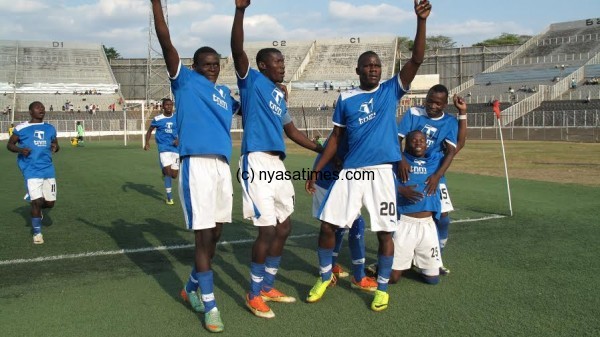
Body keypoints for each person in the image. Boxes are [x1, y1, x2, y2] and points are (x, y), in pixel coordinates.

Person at [305, 0, 431, 312]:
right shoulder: (345, 98)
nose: (373, 69)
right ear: (358, 70)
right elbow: (336, 138)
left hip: (381, 174)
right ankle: (323, 276)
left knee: (386, 231)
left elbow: (417, 58)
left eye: (377, 65)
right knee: (327, 226)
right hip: (352, 172)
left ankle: (383, 289)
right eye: (368, 66)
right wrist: (317, 167)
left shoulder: (391, 89)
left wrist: (420, 21)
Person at [232, 0, 324, 319]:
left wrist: (322, 150)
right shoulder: (252, 82)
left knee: (284, 227)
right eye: (277, 61)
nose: (282, 65)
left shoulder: (278, 94)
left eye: (283, 61)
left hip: (277, 165)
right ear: (262, 66)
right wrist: (240, 11)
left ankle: (268, 285)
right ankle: (253, 293)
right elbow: (237, 49)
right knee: (267, 231)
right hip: (256, 161)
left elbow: (293, 132)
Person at [151, 0, 239, 332]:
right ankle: (211, 305)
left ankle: (190, 287)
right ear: (194, 65)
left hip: (220, 167)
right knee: (203, 237)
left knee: (216, 233)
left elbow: (250, 108)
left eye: (216, 64)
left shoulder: (224, 94)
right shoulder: (184, 81)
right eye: (206, 64)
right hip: (196, 167)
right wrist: (156, 3)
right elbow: (164, 39)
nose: (212, 68)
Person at [397, 84, 468, 275]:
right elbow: (397, 139)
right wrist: (401, 160)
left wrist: (437, 176)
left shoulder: (450, 122)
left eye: (438, 103)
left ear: (445, 104)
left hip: (434, 173)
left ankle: (436, 259)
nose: (432, 106)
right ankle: (397, 255)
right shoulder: (413, 113)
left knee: (443, 217)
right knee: (402, 210)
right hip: (408, 168)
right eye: (430, 101)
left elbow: (456, 147)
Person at [311, 132, 374, 291]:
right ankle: (358, 277)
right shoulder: (351, 125)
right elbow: (332, 149)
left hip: (342, 182)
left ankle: (331, 266)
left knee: (340, 225)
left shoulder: (366, 126)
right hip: (328, 182)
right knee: (353, 223)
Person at [391, 130, 443, 285]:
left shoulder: (435, 160)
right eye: (413, 140)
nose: (418, 143)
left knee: (432, 279)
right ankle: (384, 263)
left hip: (428, 225)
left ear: (427, 143)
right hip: (405, 223)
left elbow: (456, 147)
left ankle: (413, 259)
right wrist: (400, 189)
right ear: (406, 143)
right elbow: (381, 179)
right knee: (393, 278)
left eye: (422, 140)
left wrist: (463, 114)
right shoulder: (399, 161)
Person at [7, 101, 59, 245]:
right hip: (31, 170)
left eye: (43, 107)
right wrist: (20, 150)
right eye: (38, 107)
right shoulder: (21, 128)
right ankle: (37, 233)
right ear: (30, 111)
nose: (41, 109)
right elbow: (10, 145)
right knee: (36, 202)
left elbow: (56, 144)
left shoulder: (50, 128)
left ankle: (38, 208)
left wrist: (55, 147)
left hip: (48, 170)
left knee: (49, 203)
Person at [144, 98, 179, 205]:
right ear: (163, 106)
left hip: (176, 149)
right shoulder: (157, 119)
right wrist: (147, 142)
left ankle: (164, 172)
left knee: (174, 175)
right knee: (168, 173)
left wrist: (179, 139)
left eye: (171, 105)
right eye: (167, 105)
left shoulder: (178, 117)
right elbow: (150, 130)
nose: (169, 106)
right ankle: (169, 197)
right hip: (164, 148)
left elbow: (184, 129)